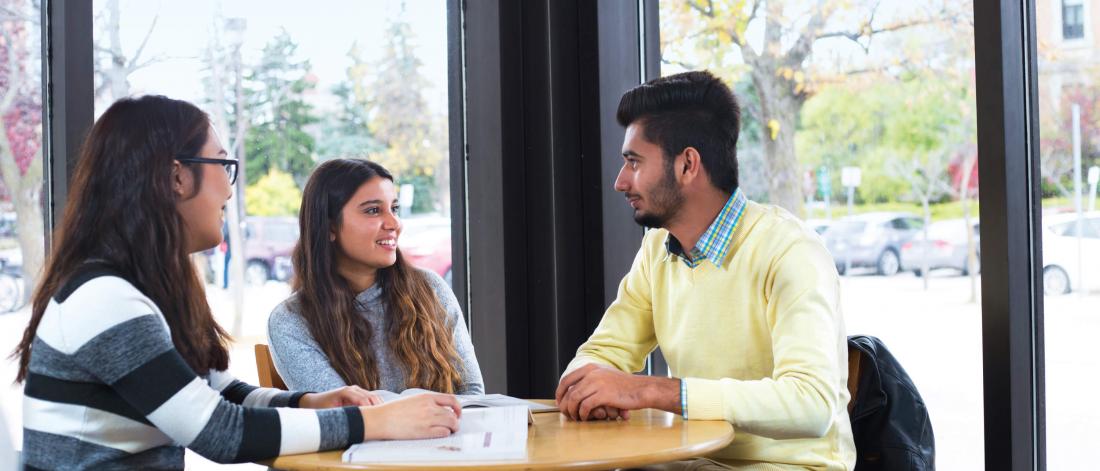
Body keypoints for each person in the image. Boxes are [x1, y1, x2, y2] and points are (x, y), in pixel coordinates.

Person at [11, 96, 461, 469]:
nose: (230, 189)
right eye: (223, 165)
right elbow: (218, 431)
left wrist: (309, 403)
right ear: (176, 176)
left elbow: (221, 392)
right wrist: (376, 422)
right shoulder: (104, 298)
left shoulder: (141, 291)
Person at [555, 71, 856, 470]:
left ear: (688, 164)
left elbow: (812, 403)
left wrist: (651, 391)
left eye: (634, 163)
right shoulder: (657, 250)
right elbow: (605, 351)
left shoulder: (790, 251)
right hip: (694, 460)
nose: (619, 181)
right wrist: (587, 389)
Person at [267, 158, 483, 396]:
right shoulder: (291, 321)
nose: (394, 223)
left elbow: (472, 392)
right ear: (329, 227)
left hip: (453, 433)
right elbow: (346, 415)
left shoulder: (430, 288)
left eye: (394, 209)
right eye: (373, 210)